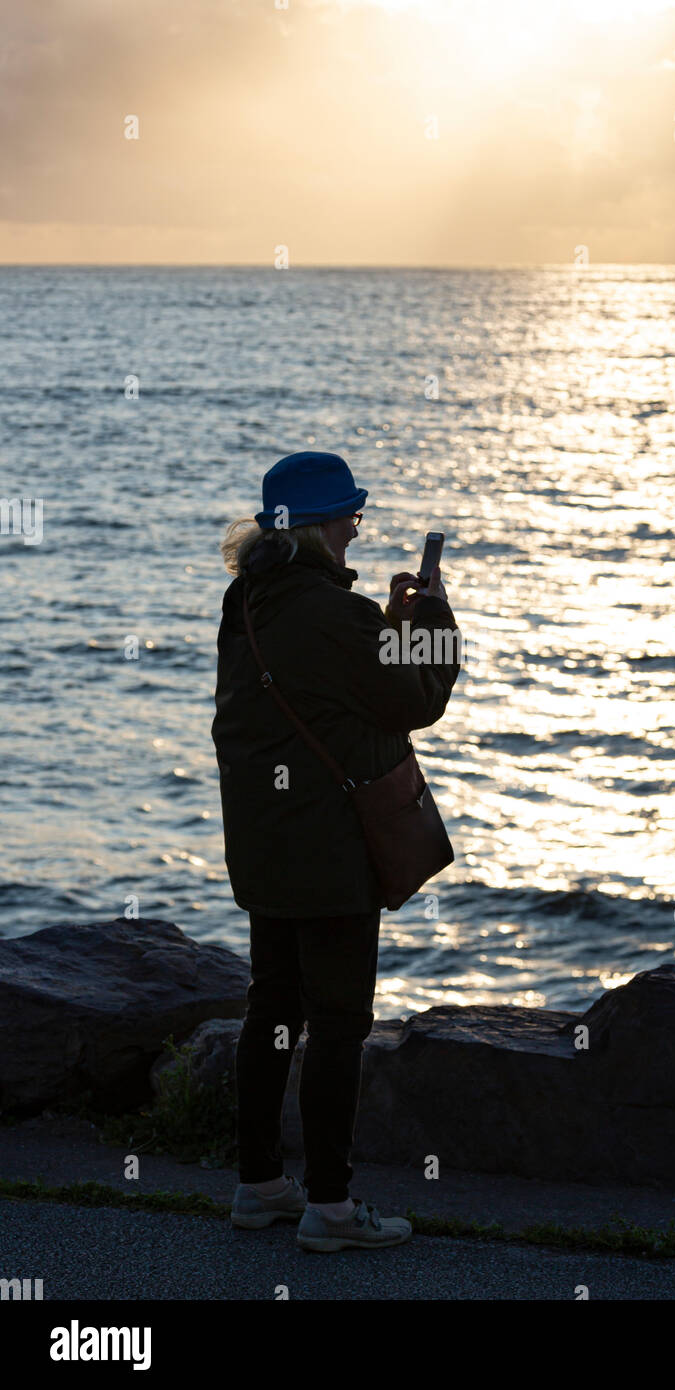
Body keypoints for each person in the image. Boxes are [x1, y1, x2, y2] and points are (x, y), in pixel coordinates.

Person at [211, 451, 460, 1252]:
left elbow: (319, 690)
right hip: (331, 854)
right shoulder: (330, 613)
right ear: (319, 527)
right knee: (340, 1023)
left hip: (264, 848)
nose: (358, 527)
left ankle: (258, 1187)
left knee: (271, 1011)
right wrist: (431, 615)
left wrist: (382, 624)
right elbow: (417, 698)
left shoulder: (244, 599)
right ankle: (331, 1209)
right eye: (352, 516)